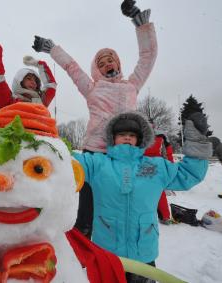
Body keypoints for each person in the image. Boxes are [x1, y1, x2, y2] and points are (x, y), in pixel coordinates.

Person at [32, 0, 157, 238]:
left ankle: (121, 246)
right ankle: (81, 247)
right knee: (86, 208)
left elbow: (147, 58)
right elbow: (71, 67)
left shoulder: (132, 85)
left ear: (118, 63)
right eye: (102, 62)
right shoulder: (92, 87)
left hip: (124, 152)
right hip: (95, 152)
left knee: (120, 204)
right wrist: (52, 48)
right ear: (96, 69)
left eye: (111, 59)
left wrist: (141, 25)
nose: (108, 63)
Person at [73, 111, 212, 283]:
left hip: (143, 252)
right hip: (107, 251)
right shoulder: (97, 163)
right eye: (122, 134)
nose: (127, 138)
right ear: (112, 138)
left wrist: (197, 142)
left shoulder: (155, 167)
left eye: (132, 135)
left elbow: (189, 174)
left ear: (140, 139)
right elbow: (66, 163)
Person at [0, 38, 57, 109]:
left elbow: (51, 85)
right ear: (19, 81)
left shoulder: (41, 101)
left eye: (35, 81)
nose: (34, 82)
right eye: (29, 78)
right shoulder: (9, 101)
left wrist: (40, 64)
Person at [144, 122, 175, 225]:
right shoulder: (161, 136)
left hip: (143, 164)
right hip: (158, 165)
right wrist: (170, 165)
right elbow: (168, 151)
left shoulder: (140, 135)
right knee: (159, 191)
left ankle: (143, 216)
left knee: (141, 191)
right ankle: (165, 216)